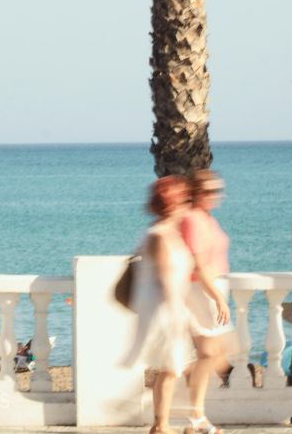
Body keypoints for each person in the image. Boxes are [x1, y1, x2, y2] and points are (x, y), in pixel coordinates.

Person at [123, 175, 193, 434]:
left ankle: (163, 423)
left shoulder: (163, 233)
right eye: (184, 199)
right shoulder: (161, 236)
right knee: (171, 368)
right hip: (165, 311)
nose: (187, 204)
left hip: (166, 310)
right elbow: (166, 279)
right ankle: (162, 425)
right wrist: (180, 315)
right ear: (172, 204)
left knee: (171, 369)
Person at [180, 169, 233, 434]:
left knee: (216, 354)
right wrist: (219, 298)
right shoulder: (192, 219)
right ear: (195, 192)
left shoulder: (207, 219)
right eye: (208, 191)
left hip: (212, 287)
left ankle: (195, 417)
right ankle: (196, 417)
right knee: (209, 353)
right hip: (202, 291)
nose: (214, 196)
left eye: (217, 191)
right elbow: (199, 266)